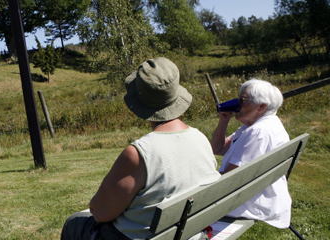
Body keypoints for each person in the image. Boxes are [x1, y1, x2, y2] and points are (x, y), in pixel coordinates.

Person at [61, 58, 220, 240]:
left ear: (140, 99)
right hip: (190, 232)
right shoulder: (200, 138)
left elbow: (100, 212)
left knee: (74, 222)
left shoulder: (140, 153)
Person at [211, 79, 292, 228]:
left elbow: (231, 177)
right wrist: (223, 121)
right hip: (259, 195)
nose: (237, 104)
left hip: (252, 203)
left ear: (261, 106)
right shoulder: (260, 124)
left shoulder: (258, 131)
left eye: (242, 100)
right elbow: (218, 149)